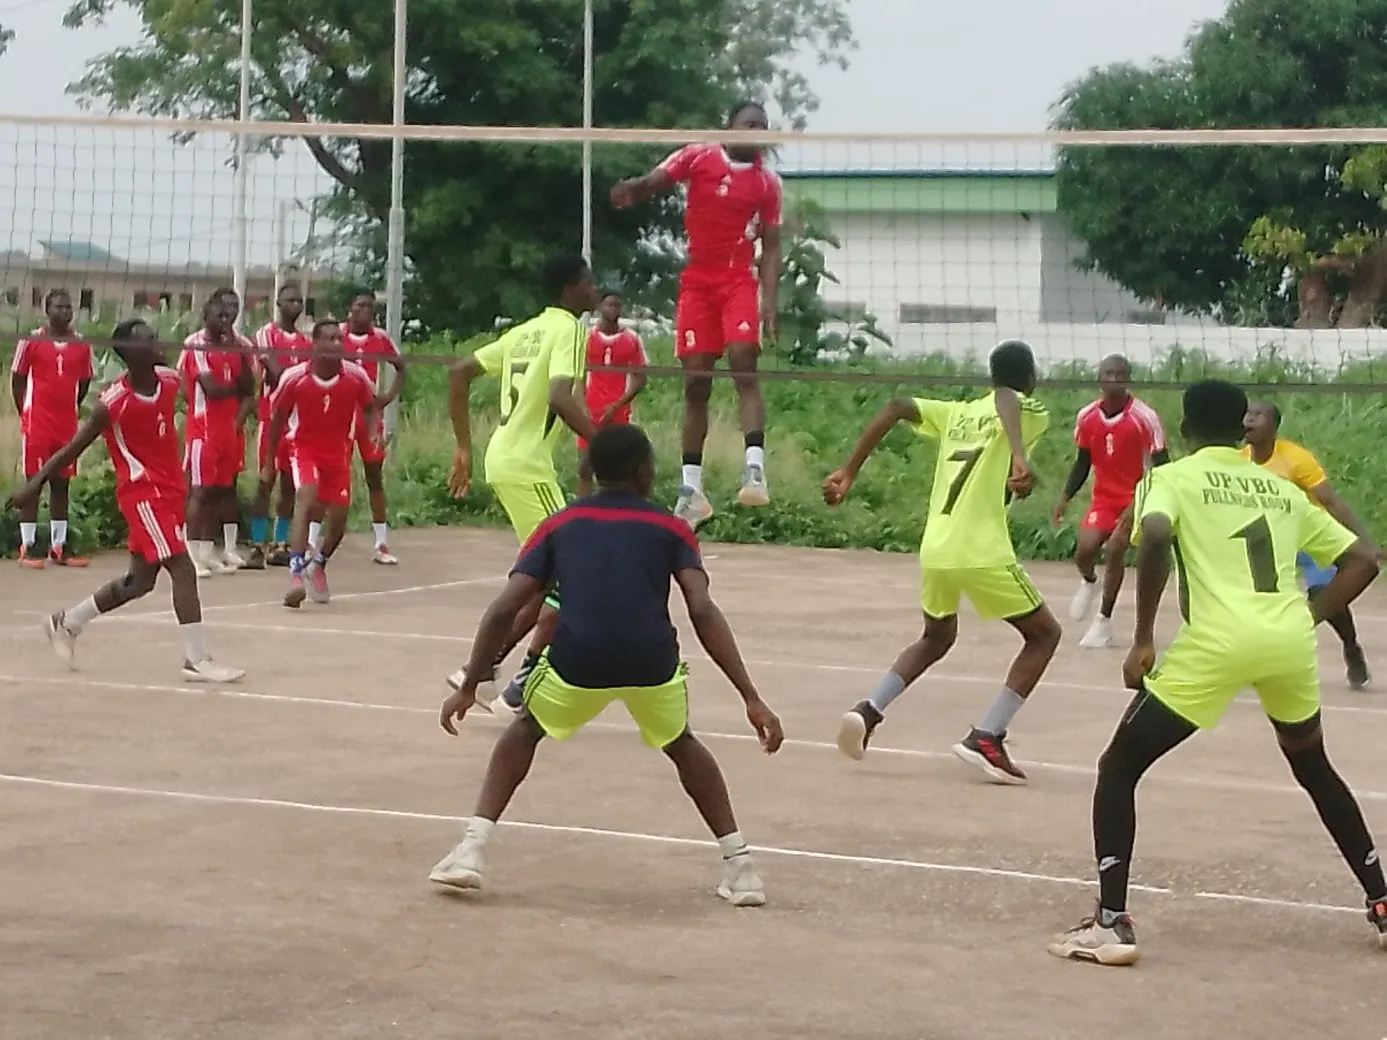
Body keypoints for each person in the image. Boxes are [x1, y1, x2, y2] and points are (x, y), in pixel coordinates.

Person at [1049, 379, 1387, 965]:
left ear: (1182, 431)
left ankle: (1111, 924)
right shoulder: (1279, 487)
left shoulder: (1170, 477)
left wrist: (1143, 639)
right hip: (1286, 643)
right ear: (1241, 432)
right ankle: (1382, 902)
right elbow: (1363, 558)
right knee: (1314, 768)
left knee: (1118, 767)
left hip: (1217, 644)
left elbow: (1151, 534)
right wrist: (1308, 617)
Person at [430, 423, 783, 906]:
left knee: (525, 729)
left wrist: (472, 680)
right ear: (643, 472)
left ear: (592, 471)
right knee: (681, 743)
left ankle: (470, 851)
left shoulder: (559, 525)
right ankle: (741, 869)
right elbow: (701, 609)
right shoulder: (672, 528)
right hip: (652, 664)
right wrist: (751, 696)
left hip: (579, 661)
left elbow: (503, 609)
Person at [825, 340, 1061, 784]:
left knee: (936, 637)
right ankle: (988, 736)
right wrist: (1017, 453)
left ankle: (868, 711)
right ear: (1030, 380)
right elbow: (1008, 399)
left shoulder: (956, 413)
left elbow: (896, 405)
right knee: (1045, 634)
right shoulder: (1025, 408)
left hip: (937, 546)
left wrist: (849, 470)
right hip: (981, 549)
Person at [2, 319, 244, 683]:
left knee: (139, 582)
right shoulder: (112, 403)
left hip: (169, 490)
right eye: (149, 339)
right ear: (130, 353)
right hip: (143, 494)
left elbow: (219, 387)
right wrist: (33, 487)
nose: (158, 342)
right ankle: (196, 659)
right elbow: (70, 450)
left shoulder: (168, 382)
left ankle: (67, 623)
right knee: (182, 567)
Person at [611, 100, 781, 527]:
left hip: (738, 279)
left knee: (744, 360)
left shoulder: (766, 183)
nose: (755, 131)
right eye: (749, 123)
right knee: (695, 382)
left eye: (762, 127)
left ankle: (755, 467)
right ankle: (691, 490)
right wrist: (634, 189)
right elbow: (658, 178)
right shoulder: (699, 155)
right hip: (698, 283)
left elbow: (774, 246)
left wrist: (770, 301)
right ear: (729, 126)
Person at [447, 254, 600, 710]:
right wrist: (607, 442)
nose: (595, 289)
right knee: (570, 571)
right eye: (588, 281)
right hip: (527, 465)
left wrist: (464, 446)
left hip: (506, 458)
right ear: (570, 289)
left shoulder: (525, 331)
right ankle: (502, 678)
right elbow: (560, 395)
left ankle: (489, 671)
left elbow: (459, 371)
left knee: (550, 573)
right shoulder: (570, 329)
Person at [1242, 401, 1375, 690]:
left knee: (1322, 592)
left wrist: (1363, 542)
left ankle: (1351, 647)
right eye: (1247, 414)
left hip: (1309, 539)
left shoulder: (1296, 459)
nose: (1249, 420)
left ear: (1274, 427)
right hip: (1267, 543)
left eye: (1257, 415)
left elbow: (1330, 500)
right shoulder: (1238, 461)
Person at [1052, 354, 1168, 649]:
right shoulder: (1087, 416)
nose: (1114, 379)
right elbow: (1082, 462)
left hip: (1138, 497)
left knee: (1115, 549)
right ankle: (1089, 581)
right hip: (1104, 499)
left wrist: (1145, 502)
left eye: (1120, 374)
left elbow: (1163, 469)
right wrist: (1065, 498)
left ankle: (1103, 621)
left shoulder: (1145, 417)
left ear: (1128, 379)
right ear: (1099, 379)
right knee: (1085, 550)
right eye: (1108, 374)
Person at [261, 321, 380, 609]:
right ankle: (296, 575)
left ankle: (319, 564)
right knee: (307, 497)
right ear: (314, 344)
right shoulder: (295, 378)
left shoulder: (354, 376)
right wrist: (268, 463)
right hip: (303, 449)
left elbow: (370, 406)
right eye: (329, 339)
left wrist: (374, 431)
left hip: (338, 453)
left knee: (339, 518)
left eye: (340, 339)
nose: (337, 344)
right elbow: (277, 420)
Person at [9, 288, 94, 568]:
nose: (64, 312)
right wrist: (26, 412)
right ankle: (28, 545)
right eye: (58, 307)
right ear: (47, 310)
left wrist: (72, 406)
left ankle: (58, 546)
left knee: (62, 484)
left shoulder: (81, 344)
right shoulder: (31, 341)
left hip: (66, 424)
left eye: (68, 307)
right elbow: (18, 379)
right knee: (34, 481)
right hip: (37, 424)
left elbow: (84, 382)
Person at [178, 291, 254, 577]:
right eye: (219, 315)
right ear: (205, 316)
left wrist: (238, 384)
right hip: (203, 430)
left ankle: (207, 552)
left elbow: (249, 387)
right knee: (199, 491)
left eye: (229, 315)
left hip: (226, 430)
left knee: (219, 492)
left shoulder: (236, 347)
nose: (225, 320)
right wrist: (237, 386)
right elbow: (212, 388)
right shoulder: (197, 346)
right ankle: (190, 553)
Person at [341, 289, 406, 565]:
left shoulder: (380, 339)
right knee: (334, 477)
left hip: (369, 415)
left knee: (374, 476)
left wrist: (387, 398)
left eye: (370, 306)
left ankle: (381, 543)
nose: (366, 311)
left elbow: (401, 367)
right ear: (350, 309)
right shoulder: (337, 336)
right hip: (341, 414)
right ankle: (314, 539)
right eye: (360, 305)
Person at [249, 283, 311, 569]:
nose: (296, 306)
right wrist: (292, 375)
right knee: (265, 481)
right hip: (270, 417)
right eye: (290, 300)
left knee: (289, 485)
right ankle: (256, 544)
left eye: (300, 301)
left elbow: (301, 379)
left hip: (295, 424)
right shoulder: (266, 334)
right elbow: (278, 374)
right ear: (278, 303)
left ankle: (281, 543)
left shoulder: (306, 343)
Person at [579, 290, 648, 461]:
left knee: (618, 464)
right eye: (609, 305)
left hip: (618, 413)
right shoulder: (586, 338)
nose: (614, 309)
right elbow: (578, 375)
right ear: (600, 307)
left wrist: (617, 405)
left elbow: (640, 378)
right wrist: (581, 406)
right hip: (590, 412)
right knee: (585, 466)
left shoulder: (632, 339)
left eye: (617, 305)